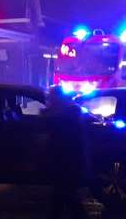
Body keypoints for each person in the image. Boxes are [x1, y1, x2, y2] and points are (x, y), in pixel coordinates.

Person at [42, 86, 88, 219]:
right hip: (67, 160)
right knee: (64, 194)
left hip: (65, 161)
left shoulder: (63, 115)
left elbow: (59, 138)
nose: (48, 100)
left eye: (50, 97)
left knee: (64, 194)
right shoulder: (70, 112)